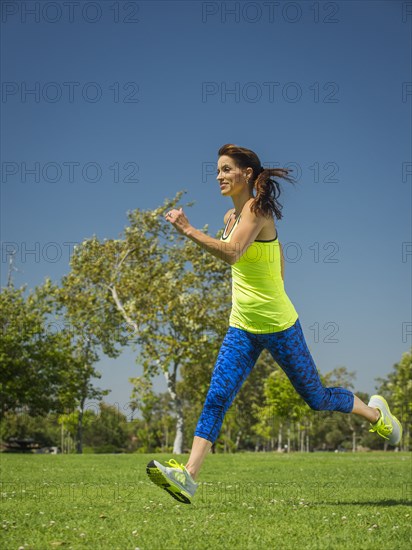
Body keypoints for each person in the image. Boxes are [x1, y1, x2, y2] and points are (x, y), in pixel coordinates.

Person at [146, 143, 402, 504]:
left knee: (317, 398)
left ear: (246, 174)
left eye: (225, 169)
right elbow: (276, 254)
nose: (218, 176)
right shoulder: (228, 219)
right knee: (217, 396)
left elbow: (234, 254)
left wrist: (187, 229)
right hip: (243, 327)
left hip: (281, 326)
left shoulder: (257, 209)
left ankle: (376, 414)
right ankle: (188, 475)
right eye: (216, 170)